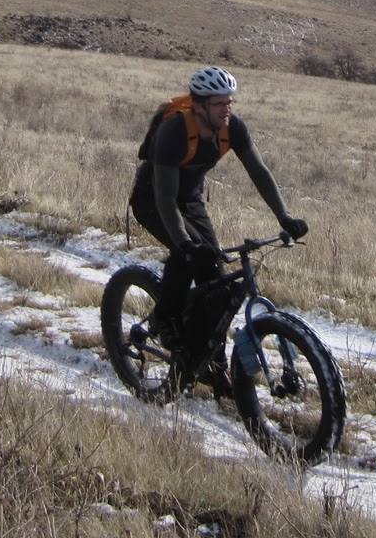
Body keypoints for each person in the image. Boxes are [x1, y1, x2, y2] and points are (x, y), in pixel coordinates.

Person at [129, 66, 308, 348]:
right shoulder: (173, 132)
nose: (226, 109)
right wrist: (186, 244)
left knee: (217, 285)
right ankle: (163, 319)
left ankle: (209, 358)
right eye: (219, 103)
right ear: (199, 106)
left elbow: (259, 172)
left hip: (189, 200)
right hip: (152, 200)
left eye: (229, 101)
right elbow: (165, 199)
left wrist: (284, 216)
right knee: (189, 255)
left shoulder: (231, 127)